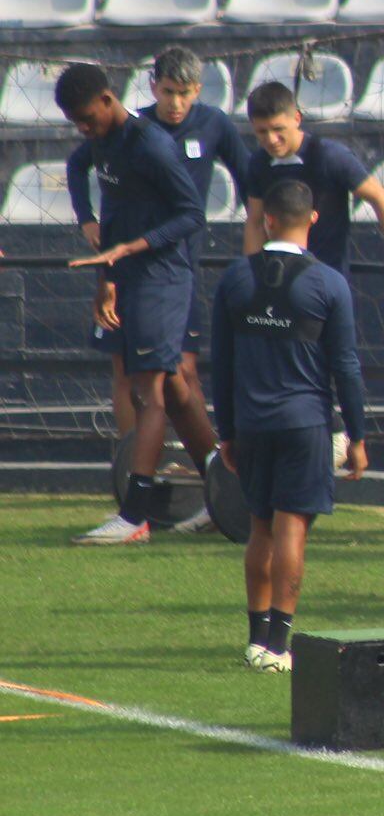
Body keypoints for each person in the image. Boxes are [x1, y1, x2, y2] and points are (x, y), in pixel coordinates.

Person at [65, 49, 247, 525]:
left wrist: (129, 249)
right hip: (131, 275)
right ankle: (222, 476)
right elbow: (94, 187)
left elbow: (197, 211)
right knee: (155, 381)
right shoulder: (108, 136)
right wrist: (104, 264)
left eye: (184, 93)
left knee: (163, 384)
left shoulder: (154, 142)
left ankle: (136, 511)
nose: (176, 103)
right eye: (168, 92)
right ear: (152, 88)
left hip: (168, 275)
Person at [210, 181, 369, 673]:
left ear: (267, 220)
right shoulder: (328, 284)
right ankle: (281, 643)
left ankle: (256, 639)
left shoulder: (235, 280)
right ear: (313, 219)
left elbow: (222, 362)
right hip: (305, 424)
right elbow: (346, 365)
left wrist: (227, 432)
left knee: (260, 526)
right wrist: (358, 435)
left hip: (252, 425)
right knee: (291, 526)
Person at [244, 82, 384, 280]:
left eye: (278, 129)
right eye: (262, 132)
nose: (271, 139)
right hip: (278, 279)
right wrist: (251, 272)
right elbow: (255, 222)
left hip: (328, 278)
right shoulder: (258, 163)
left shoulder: (330, 156)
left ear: (297, 118)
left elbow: (378, 197)